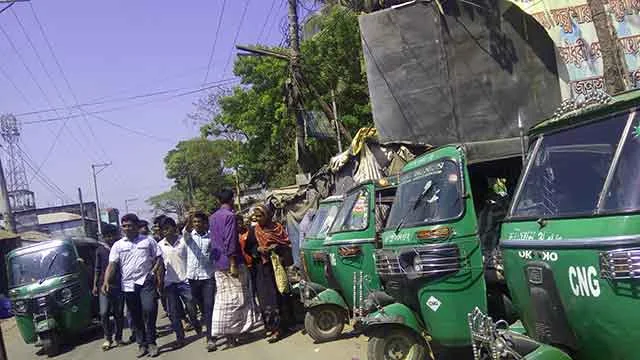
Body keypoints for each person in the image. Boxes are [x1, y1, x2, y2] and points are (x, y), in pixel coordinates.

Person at [103, 214, 164, 358]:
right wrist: (106, 281)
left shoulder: (148, 241)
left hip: (146, 282)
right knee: (136, 316)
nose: (127, 228)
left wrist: (155, 273)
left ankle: (152, 342)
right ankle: (142, 344)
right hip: (128, 285)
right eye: (124, 226)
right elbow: (112, 265)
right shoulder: (118, 245)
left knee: (149, 309)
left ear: (136, 226)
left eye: (129, 225)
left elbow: (159, 258)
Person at [210, 190, 261, 350]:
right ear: (231, 200)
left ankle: (231, 334)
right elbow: (230, 240)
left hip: (218, 264)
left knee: (223, 300)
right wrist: (232, 262)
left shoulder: (212, 217)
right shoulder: (230, 216)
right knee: (238, 299)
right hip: (232, 262)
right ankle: (236, 333)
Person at [246, 204, 294, 342]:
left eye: (260, 216)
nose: (258, 219)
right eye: (256, 216)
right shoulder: (253, 231)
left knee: (282, 294)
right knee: (267, 299)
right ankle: (273, 328)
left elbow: (286, 244)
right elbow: (249, 248)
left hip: (277, 267)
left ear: (267, 215)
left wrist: (276, 247)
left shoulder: (277, 228)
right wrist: (258, 250)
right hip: (262, 270)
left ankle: (285, 324)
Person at [158, 217, 201, 349]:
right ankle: (180, 337)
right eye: (163, 229)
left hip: (186, 280)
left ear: (174, 228)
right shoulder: (160, 246)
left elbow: (193, 257)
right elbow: (159, 265)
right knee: (174, 312)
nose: (165, 231)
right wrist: (159, 282)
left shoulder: (183, 241)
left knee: (191, 307)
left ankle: (195, 322)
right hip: (170, 283)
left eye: (167, 228)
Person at [181, 211, 217, 352]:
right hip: (192, 277)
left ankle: (210, 338)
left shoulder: (211, 237)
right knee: (199, 307)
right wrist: (191, 216)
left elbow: (216, 253)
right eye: (195, 222)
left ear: (205, 223)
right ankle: (198, 323)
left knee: (209, 307)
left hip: (208, 277)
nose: (197, 224)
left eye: (199, 222)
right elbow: (186, 229)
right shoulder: (189, 236)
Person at [93, 224, 124, 351]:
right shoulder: (100, 250)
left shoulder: (121, 248)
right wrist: (95, 285)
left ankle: (119, 337)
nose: (110, 238)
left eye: (112, 235)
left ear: (116, 235)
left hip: (119, 285)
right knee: (104, 312)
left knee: (118, 313)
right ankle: (107, 338)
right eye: (107, 236)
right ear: (104, 237)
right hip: (103, 286)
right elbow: (97, 269)